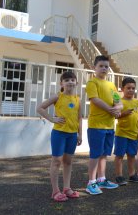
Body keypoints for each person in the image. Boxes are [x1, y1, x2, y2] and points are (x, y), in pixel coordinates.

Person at [37, 71, 82, 202]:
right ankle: (55, 191)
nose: (70, 82)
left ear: (76, 83)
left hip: (72, 135)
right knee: (56, 161)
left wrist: (80, 134)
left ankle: (66, 188)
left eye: (72, 80)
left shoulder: (78, 99)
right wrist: (52, 119)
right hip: (59, 134)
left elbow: (79, 117)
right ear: (61, 84)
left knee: (68, 161)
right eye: (66, 80)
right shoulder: (57, 97)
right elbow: (40, 108)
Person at [85, 55, 122, 195]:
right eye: (101, 66)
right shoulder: (92, 83)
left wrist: (117, 109)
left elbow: (119, 102)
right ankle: (91, 183)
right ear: (94, 67)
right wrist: (111, 109)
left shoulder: (112, 85)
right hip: (96, 125)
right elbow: (94, 99)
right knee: (95, 154)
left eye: (106, 66)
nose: (104, 68)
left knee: (104, 154)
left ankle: (102, 179)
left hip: (109, 126)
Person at [114, 77, 138, 184]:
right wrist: (124, 113)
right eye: (128, 88)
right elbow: (115, 116)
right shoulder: (119, 101)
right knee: (119, 155)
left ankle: (132, 175)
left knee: (132, 155)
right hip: (121, 134)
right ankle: (119, 176)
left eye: (133, 88)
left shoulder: (137, 103)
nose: (131, 90)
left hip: (134, 134)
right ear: (122, 89)